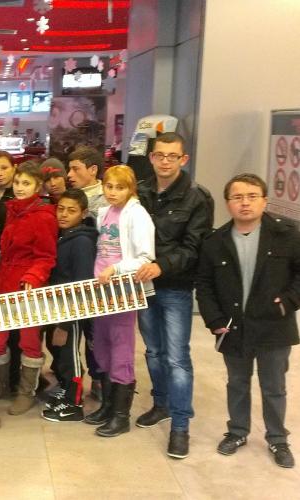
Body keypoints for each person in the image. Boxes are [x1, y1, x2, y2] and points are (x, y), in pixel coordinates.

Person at [196, 173, 299, 469]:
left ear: (264, 200)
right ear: (228, 203)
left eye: (252, 196)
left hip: (274, 326)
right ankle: (238, 431)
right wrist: (214, 319)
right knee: (237, 382)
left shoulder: (288, 233)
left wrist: (288, 302)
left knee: (274, 385)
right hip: (233, 327)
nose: (245, 203)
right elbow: (204, 285)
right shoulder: (215, 241)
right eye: (237, 197)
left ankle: (277, 438)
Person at [134, 132, 214, 459]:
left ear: (184, 159)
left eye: (173, 156)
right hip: (142, 285)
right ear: (151, 157)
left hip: (175, 286)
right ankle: (161, 404)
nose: (165, 161)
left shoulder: (197, 197)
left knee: (177, 357)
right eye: (160, 155)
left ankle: (180, 426)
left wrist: (161, 266)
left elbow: (195, 248)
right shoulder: (139, 190)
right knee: (153, 351)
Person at [84, 165, 155, 437]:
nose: (113, 192)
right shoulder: (105, 213)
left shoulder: (137, 215)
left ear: (131, 188)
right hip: (101, 292)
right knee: (101, 347)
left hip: (123, 292)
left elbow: (145, 258)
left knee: (121, 350)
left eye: (120, 187)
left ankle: (121, 416)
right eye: (109, 186)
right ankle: (107, 406)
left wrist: (116, 269)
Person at [0, 162, 58, 415]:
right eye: (17, 182)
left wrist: (33, 277)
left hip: (28, 286)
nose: (19, 187)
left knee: (29, 340)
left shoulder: (44, 216)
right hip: (4, 282)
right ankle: (1, 385)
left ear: (38, 186)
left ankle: (26, 392)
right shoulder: (12, 210)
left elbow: (46, 256)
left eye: (26, 183)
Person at [41, 188, 97, 422]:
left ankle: (74, 404)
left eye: (71, 211)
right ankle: (66, 390)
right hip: (57, 306)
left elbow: (82, 285)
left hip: (70, 310)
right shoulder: (63, 236)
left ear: (83, 213)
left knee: (70, 354)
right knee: (60, 353)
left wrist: (66, 323)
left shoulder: (82, 241)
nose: (63, 214)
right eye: (61, 209)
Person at [66, 146, 108, 220]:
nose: (69, 174)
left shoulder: (108, 200)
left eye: (75, 169)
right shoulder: (68, 195)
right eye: (70, 169)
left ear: (93, 170)